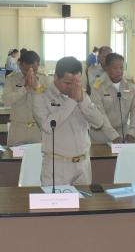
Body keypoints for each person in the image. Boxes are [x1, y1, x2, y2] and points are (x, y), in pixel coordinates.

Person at [33, 57, 105, 186]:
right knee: (56, 205)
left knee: (84, 206)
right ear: (55, 77)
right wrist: (72, 101)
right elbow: (48, 126)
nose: (72, 87)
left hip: (83, 165)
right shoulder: (41, 96)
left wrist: (82, 101)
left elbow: (99, 122)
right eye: (67, 83)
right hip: (58, 166)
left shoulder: (81, 94)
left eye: (76, 83)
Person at [90, 53, 135, 144]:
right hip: (101, 136)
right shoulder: (98, 87)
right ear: (106, 68)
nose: (119, 71)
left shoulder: (130, 84)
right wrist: (113, 136)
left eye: (121, 68)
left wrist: (132, 132)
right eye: (115, 68)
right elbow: (100, 115)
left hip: (123, 135)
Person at [3, 50, 50, 146]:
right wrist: (25, 88)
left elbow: (50, 102)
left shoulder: (44, 79)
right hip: (18, 128)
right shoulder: (11, 79)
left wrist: (37, 88)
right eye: (26, 70)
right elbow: (6, 100)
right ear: (20, 65)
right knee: (15, 159)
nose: (30, 73)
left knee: (38, 159)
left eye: (34, 69)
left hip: (38, 129)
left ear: (38, 65)